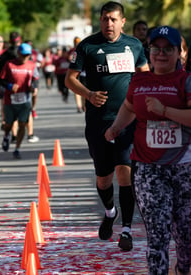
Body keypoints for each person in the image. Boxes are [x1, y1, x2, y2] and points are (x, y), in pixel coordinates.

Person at [105, 26, 191, 275]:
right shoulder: (139, 81)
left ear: (178, 53)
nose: (161, 54)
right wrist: (116, 127)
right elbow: (129, 107)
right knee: (158, 233)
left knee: (186, 234)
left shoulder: (185, 81)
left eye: (168, 49)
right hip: (148, 169)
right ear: (149, 52)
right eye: (156, 49)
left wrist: (165, 111)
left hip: (184, 168)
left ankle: (183, 268)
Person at [65, 1, 149, 251]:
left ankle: (126, 229)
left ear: (122, 21)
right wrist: (89, 94)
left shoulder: (134, 45)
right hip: (98, 122)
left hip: (128, 121)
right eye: (104, 19)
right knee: (104, 178)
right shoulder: (87, 46)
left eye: (113, 19)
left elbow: (143, 76)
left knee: (125, 172)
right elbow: (70, 79)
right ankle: (110, 212)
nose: (108, 23)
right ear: (99, 21)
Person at [0, 42, 39, 159]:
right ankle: (6, 135)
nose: (25, 58)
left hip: (25, 101)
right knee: (9, 124)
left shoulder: (32, 65)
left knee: (22, 124)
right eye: (23, 55)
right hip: (10, 101)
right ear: (18, 54)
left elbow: (36, 79)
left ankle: (17, 148)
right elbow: (1, 80)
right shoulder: (9, 64)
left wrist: (34, 87)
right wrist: (9, 86)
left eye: (28, 55)